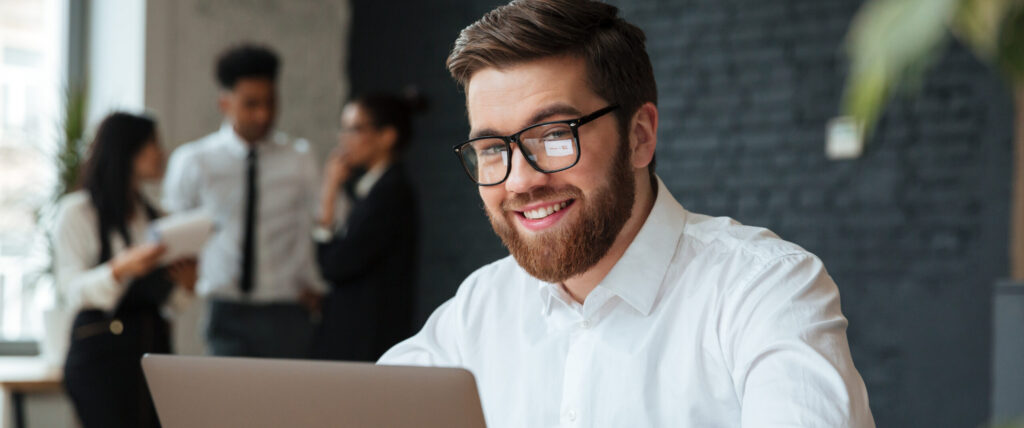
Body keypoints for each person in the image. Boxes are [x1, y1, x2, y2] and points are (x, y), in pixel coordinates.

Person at [377, 1, 876, 426]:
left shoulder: (764, 292)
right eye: (491, 148)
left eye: (554, 136)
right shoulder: (480, 308)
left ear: (639, 136)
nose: (519, 180)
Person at [162, 44, 325, 358]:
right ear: (224, 103)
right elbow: (173, 234)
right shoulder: (194, 160)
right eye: (251, 104)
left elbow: (324, 223)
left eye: (270, 103)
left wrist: (319, 284)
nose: (263, 114)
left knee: (289, 405)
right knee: (226, 405)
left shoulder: (300, 157)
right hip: (226, 310)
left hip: (288, 310)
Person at [54, 112, 197, 428]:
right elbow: (71, 289)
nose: (161, 153)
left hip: (151, 351)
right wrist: (119, 269)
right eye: (152, 144)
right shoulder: (78, 212)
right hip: (100, 358)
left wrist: (186, 284)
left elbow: (172, 304)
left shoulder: (156, 217)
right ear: (126, 149)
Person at [311, 91, 424, 361]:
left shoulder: (390, 193)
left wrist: (329, 190)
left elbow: (335, 264)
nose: (343, 139)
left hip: (369, 341)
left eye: (354, 129)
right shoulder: (375, 189)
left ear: (387, 136)